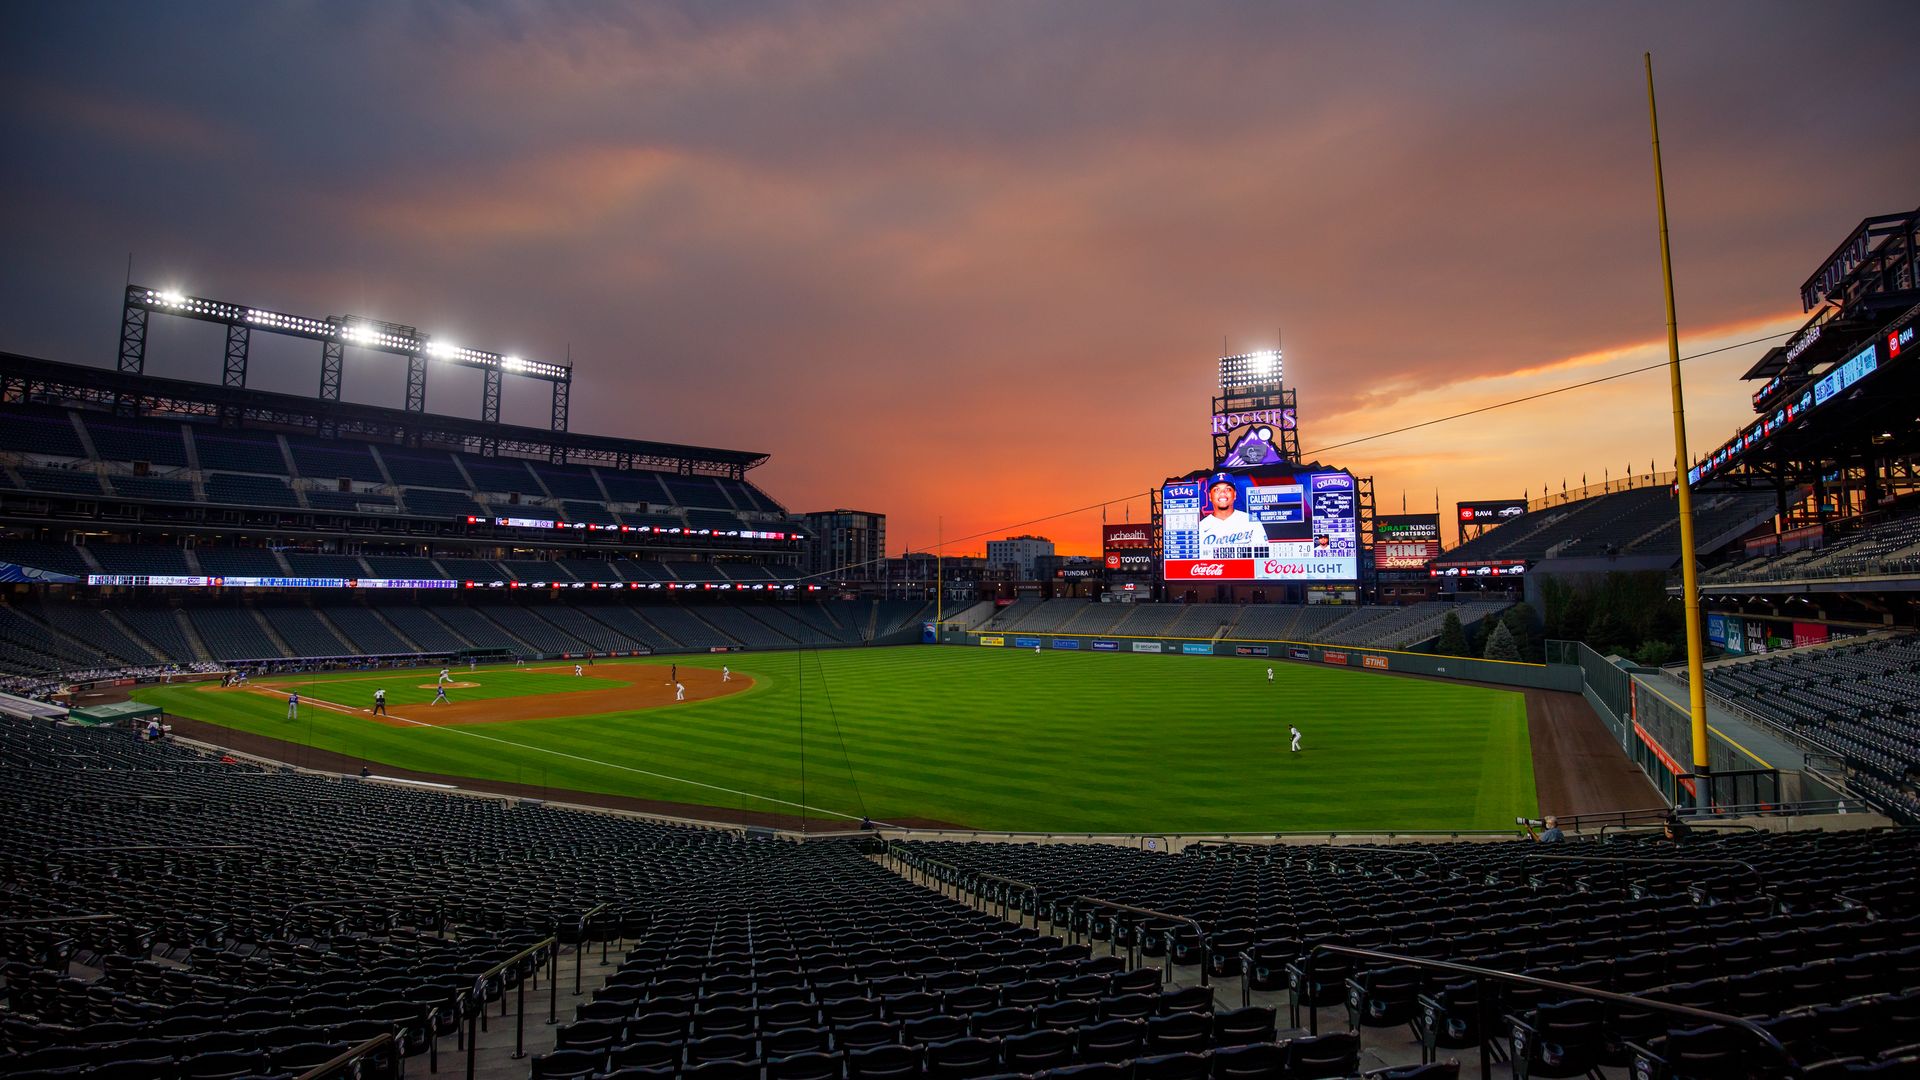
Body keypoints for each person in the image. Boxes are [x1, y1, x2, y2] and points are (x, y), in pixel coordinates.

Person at [1197, 475, 1261, 556]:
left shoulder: (1251, 521)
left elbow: (1262, 557)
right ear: (1210, 496)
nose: (1223, 493)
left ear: (1234, 495)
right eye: (1217, 490)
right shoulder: (1201, 527)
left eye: (1228, 489)